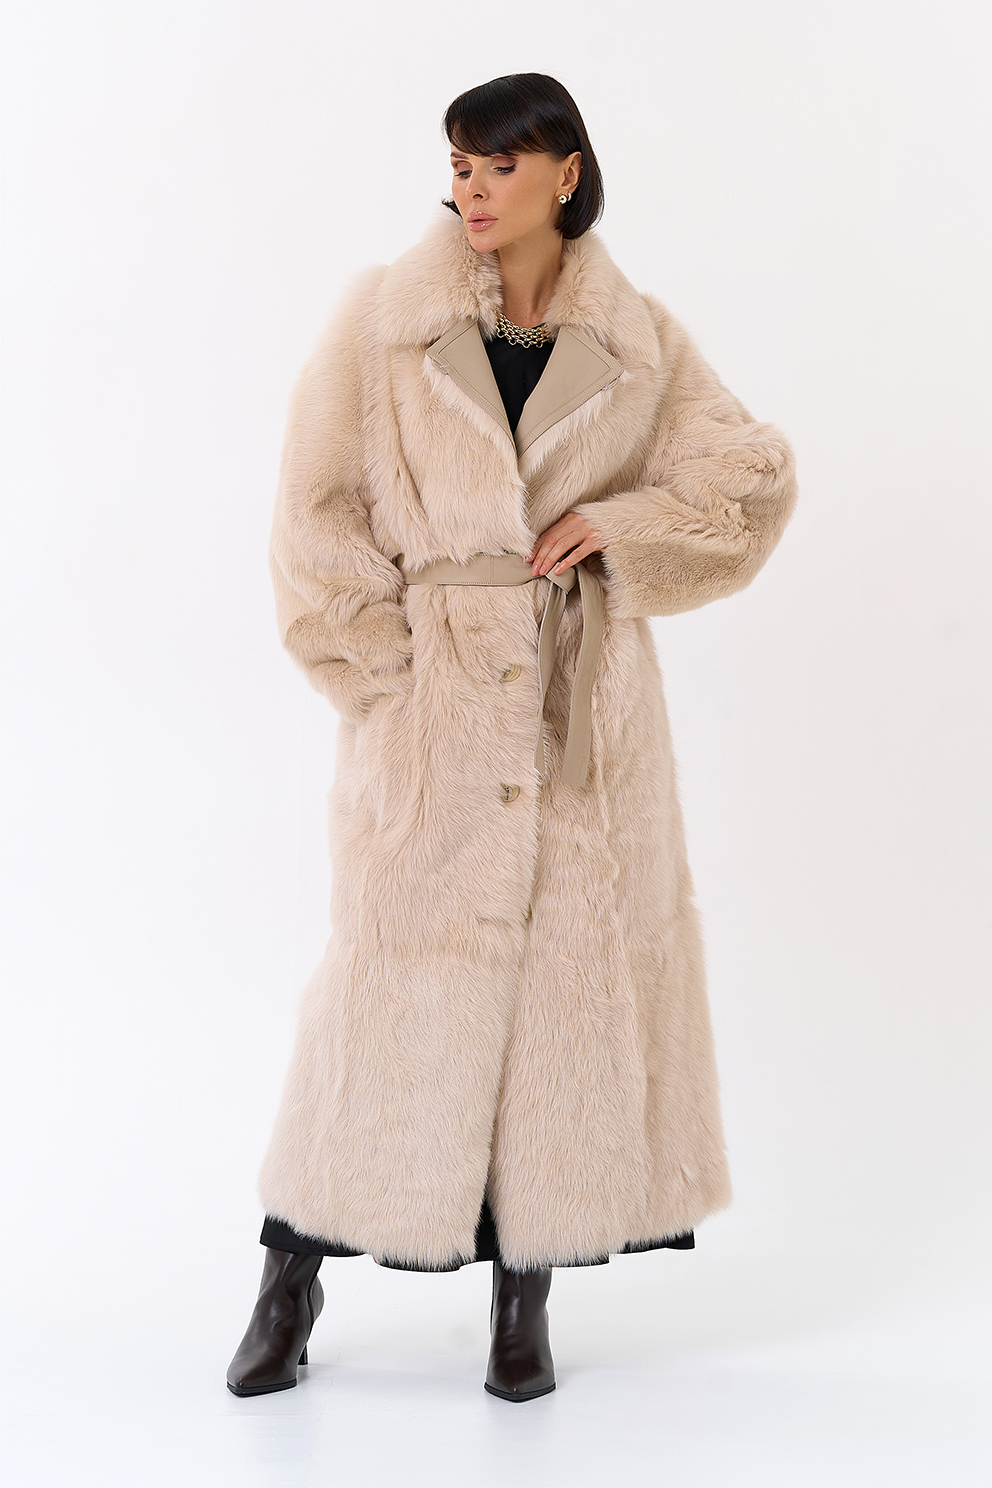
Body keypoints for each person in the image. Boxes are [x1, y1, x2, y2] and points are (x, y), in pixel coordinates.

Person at [227, 72, 798, 1402]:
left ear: (566, 172)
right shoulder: (385, 320)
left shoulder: (641, 339)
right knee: (380, 998)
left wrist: (626, 529)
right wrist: (389, 683)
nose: (473, 190)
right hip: (431, 724)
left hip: (581, 722)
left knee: (559, 1007)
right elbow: (313, 514)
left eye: (498, 165)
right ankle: (289, 1278)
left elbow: (752, 478)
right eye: (459, 167)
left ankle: (523, 1301)